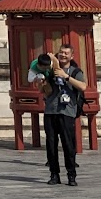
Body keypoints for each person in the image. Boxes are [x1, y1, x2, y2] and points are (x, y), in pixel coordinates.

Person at [28, 43, 86, 186]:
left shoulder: (75, 71)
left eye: (66, 53)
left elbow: (83, 86)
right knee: (51, 144)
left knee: (68, 145)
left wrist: (65, 76)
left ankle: (71, 175)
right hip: (50, 110)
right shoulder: (50, 69)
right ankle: (54, 174)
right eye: (61, 52)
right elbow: (44, 91)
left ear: (71, 56)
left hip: (67, 111)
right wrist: (41, 82)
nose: (63, 55)